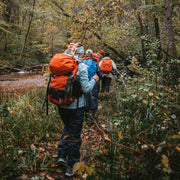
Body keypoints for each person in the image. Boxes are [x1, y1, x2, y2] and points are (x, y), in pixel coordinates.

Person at [57, 43, 99, 177]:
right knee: (75, 136)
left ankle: (61, 155)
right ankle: (71, 168)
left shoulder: (61, 64)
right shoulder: (82, 66)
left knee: (67, 128)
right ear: (81, 54)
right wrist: (94, 80)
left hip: (61, 105)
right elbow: (86, 88)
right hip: (76, 107)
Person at [83, 49, 101, 124]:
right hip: (93, 84)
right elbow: (99, 74)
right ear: (91, 55)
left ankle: (86, 117)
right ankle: (91, 118)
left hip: (84, 84)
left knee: (85, 99)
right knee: (93, 98)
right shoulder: (94, 63)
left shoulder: (82, 62)